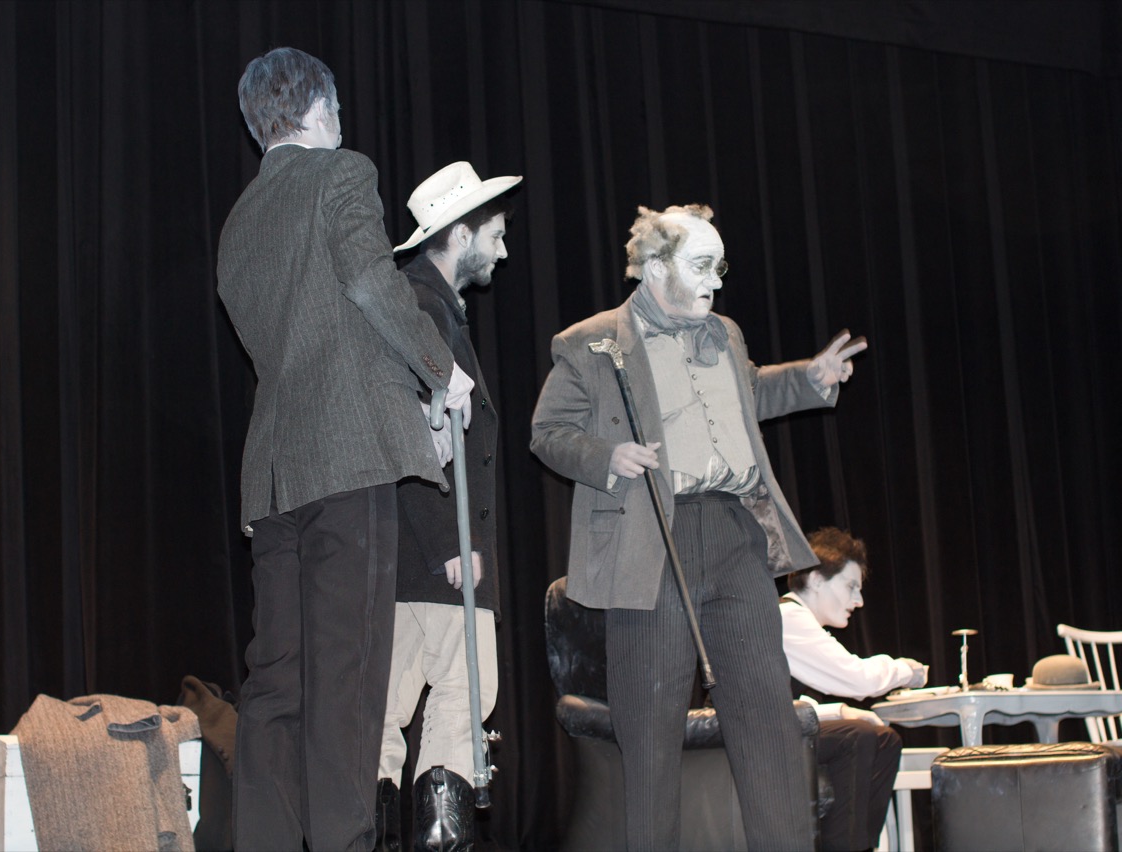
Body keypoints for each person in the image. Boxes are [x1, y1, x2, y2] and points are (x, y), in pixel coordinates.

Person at [530, 203, 867, 850]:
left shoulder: (725, 333)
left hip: (736, 531)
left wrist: (809, 379)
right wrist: (607, 457)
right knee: (650, 730)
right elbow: (547, 433)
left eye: (720, 267)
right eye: (702, 266)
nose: (716, 280)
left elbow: (748, 393)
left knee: (767, 717)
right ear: (657, 267)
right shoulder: (591, 341)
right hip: (653, 535)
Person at [216, 47, 474, 852]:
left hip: (273, 472)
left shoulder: (239, 220)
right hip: (349, 460)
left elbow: (302, 332)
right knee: (350, 677)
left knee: (277, 679)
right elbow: (370, 283)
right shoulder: (342, 172)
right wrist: (441, 370)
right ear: (321, 109)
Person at [372, 161, 521, 851]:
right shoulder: (423, 310)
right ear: (460, 233)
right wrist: (448, 544)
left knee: (386, 713)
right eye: (496, 234)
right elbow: (409, 434)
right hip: (436, 554)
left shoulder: (429, 307)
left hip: (411, 558)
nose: (503, 251)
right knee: (460, 702)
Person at [780, 527, 928, 851]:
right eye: (850, 587)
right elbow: (858, 678)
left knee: (885, 739)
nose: (859, 601)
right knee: (855, 736)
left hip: (780, 727)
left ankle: (860, 845)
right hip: (756, 734)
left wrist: (841, 711)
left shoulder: (798, 622)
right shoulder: (788, 618)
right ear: (816, 579)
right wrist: (906, 670)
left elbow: (790, 703)